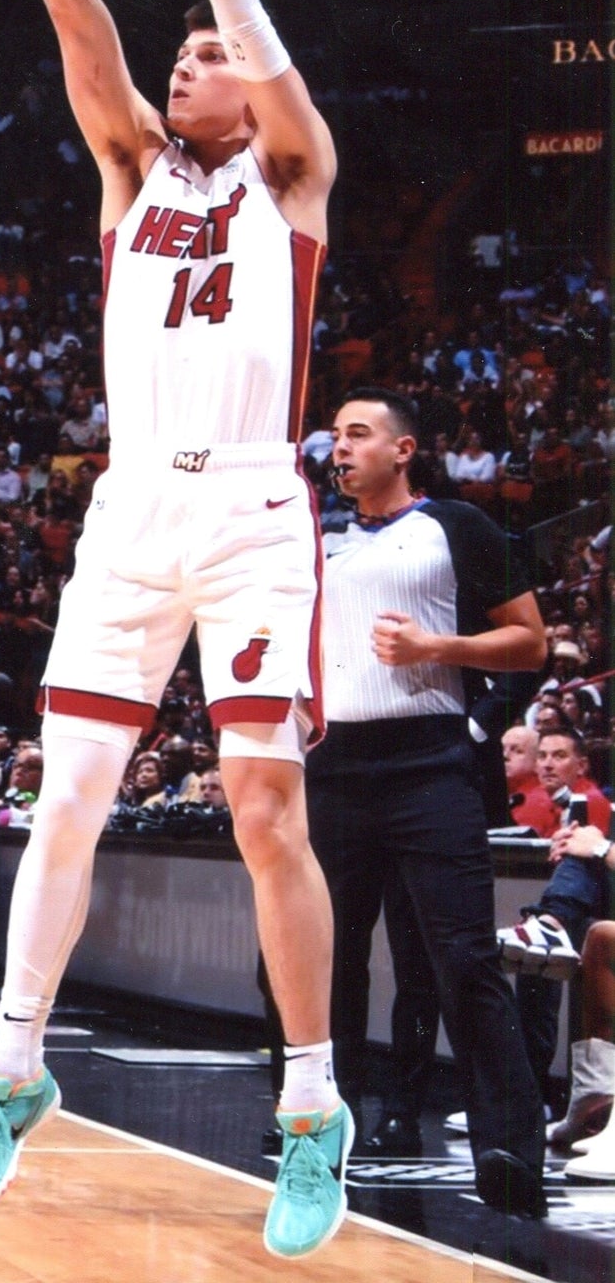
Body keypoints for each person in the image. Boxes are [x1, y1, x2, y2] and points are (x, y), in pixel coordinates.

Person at [0, 0, 348, 1256]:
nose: (188, 66)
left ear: (257, 75)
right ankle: (12, 1066)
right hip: (127, 520)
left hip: (248, 515)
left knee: (260, 804)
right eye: (181, 60)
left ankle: (311, 1111)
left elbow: (248, 26)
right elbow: (76, 13)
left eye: (210, 56)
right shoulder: (130, 167)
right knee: (67, 807)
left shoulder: (291, 175)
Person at [313, 387, 547, 1216]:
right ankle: (315, 1127)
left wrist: (435, 646)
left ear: (403, 449)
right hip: (331, 767)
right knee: (321, 958)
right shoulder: (309, 538)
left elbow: (531, 640)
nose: (339, 447)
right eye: (335, 436)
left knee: (460, 957)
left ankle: (513, 1148)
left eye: (357, 434)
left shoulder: (458, 526)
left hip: (428, 764)